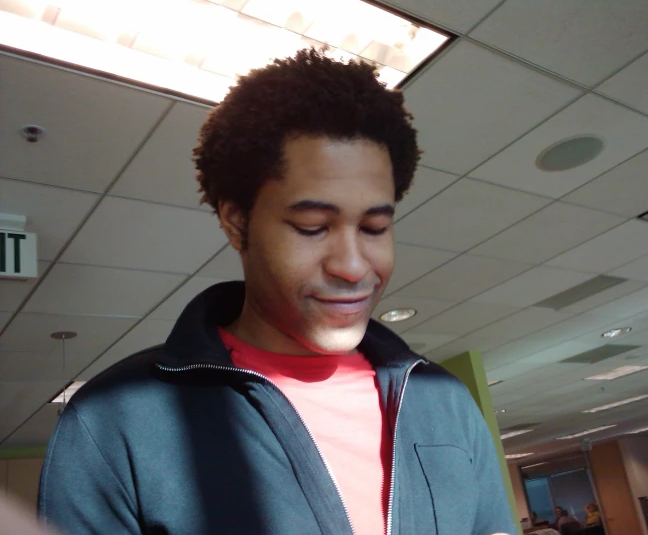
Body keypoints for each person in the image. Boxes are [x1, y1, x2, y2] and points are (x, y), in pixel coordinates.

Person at [38, 49, 516, 535]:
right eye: (311, 226)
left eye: (374, 228)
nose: (353, 267)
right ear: (236, 221)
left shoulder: (442, 401)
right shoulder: (117, 420)